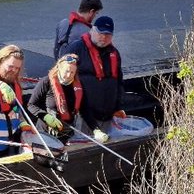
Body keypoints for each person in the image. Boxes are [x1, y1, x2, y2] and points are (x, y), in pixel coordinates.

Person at [61, 15, 125, 143]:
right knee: (84, 147)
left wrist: (118, 106)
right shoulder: (76, 48)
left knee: (106, 147)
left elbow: (119, 81)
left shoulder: (114, 53)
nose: (104, 37)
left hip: (107, 114)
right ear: (92, 30)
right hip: (84, 116)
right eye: (101, 33)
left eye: (108, 35)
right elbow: (62, 77)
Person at [26, 54, 88, 140]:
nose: (69, 75)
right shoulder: (46, 82)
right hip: (45, 132)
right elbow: (31, 105)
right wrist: (46, 116)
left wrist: (96, 130)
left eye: (72, 72)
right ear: (59, 67)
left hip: (67, 132)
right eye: (67, 71)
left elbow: (85, 109)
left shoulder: (78, 86)